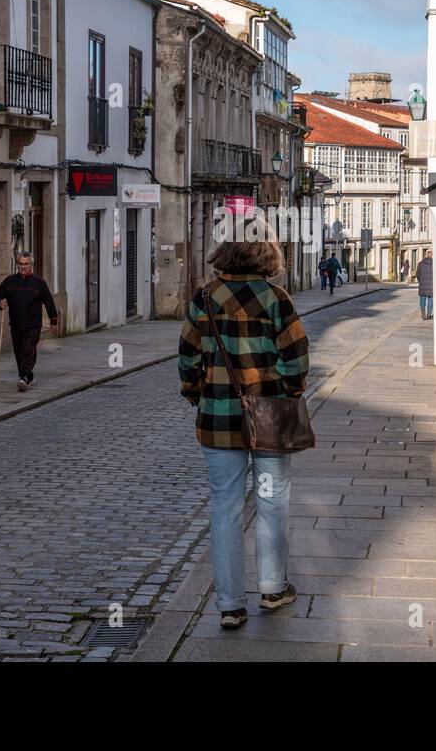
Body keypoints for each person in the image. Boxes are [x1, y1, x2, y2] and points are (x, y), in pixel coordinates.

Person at [178, 219, 309, 631]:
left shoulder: (203, 298)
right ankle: (272, 588)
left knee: (225, 508)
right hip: (269, 420)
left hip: (217, 421)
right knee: (272, 505)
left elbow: (188, 359)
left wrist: (199, 395)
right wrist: (288, 391)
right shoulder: (276, 299)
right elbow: (297, 359)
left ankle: (230, 605)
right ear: (266, 250)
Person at [0, 251, 60, 392]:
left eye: (26, 264)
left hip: (33, 326)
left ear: (31, 265)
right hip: (16, 324)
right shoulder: (10, 281)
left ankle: (23, 377)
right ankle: (28, 376)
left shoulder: (39, 283)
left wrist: (53, 321)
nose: (23, 267)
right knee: (19, 352)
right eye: (20, 264)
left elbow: (49, 302)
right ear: (17, 265)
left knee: (28, 350)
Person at [416, 250, 434, 320]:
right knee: (431, 300)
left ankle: (423, 314)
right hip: (431, 286)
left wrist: (420, 281)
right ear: (431, 255)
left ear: (426, 255)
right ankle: (429, 314)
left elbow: (417, 274)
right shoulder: (434, 264)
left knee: (422, 300)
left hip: (423, 286)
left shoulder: (420, 264)